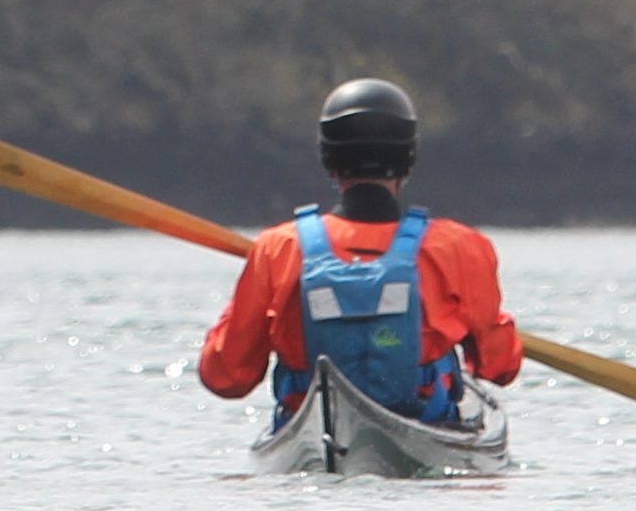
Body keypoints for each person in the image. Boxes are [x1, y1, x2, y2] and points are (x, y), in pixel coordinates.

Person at [198, 78, 522, 429]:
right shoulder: (460, 247)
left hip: (315, 428)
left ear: (329, 157)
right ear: (407, 158)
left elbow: (226, 377)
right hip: (427, 423)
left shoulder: (279, 247)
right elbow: (499, 367)